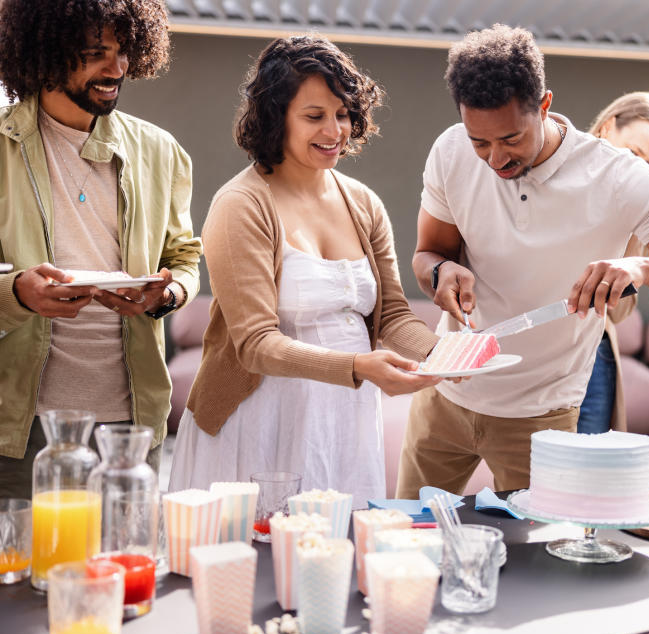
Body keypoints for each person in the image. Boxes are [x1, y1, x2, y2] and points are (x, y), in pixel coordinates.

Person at [395, 24, 649, 499]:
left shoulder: (618, 176)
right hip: (443, 399)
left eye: (511, 139)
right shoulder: (452, 151)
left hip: (541, 419)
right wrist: (440, 271)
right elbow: (426, 253)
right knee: (407, 541)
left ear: (544, 105)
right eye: (481, 142)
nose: (495, 158)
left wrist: (640, 268)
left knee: (537, 565)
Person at [168, 36, 442, 505]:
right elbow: (254, 344)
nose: (335, 130)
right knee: (255, 567)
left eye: (342, 114)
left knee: (333, 561)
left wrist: (449, 356)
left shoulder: (363, 203)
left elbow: (392, 315)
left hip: (344, 419)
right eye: (314, 116)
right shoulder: (241, 205)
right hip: (258, 421)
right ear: (276, 117)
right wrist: (358, 367)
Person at [0, 0, 202, 498]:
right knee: (25, 573)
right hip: (21, 427)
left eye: (123, 52)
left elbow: (184, 259)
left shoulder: (161, 151)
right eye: (95, 53)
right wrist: (16, 293)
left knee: (120, 567)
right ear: (44, 52)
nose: (116, 70)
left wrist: (169, 294)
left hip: (130, 425)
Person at [579, 91, 649, 434]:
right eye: (634, 152)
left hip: (594, 352)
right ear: (607, 128)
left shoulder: (636, 211)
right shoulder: (557, 179)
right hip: (540, 349)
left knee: (587, 469)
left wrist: (627, 260)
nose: (639, 168)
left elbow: (621, 313)